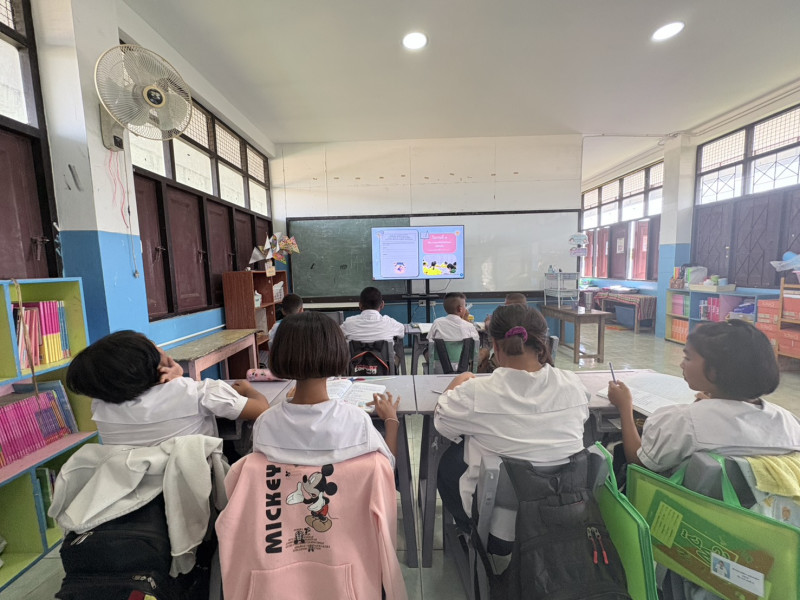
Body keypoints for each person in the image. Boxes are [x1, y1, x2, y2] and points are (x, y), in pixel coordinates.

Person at [434, 304, 589, 530]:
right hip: (565, 513)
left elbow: (442, 421)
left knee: (450, 461)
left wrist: (461, 378)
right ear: (542, 342)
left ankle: (469, 531)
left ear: (495, 346)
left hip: (499, 526)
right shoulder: (573, 384)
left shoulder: (477, 392)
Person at [608, 320, 800, 474]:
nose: (681, 364)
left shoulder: (684, 421)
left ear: (714, 372)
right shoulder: (789, 422)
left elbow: (639, 462)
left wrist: (625, 407)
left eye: (688, 358)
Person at [66, 330, 270, 446]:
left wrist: (177, 376)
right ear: (154, 364)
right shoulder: (199, 392)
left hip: (135, 491)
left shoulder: (100, 408)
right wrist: (247, 388)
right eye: (152, 345)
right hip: (198, 484)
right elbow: (262, 410)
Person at [252, 310, 401, 466]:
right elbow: (386, 468)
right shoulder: (357, 420)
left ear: (278, 353)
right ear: (337, 351)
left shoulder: (265, 422)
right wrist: (391, 419)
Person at [477, 292, 529, 373]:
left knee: (484, 353)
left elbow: (489, 326)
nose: (504, 310)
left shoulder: (505, 323)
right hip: (525, 365)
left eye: (506, 307)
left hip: (502, 365)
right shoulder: (532, 321)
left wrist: (489, 321)